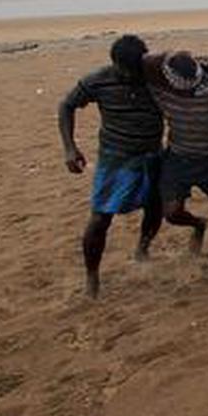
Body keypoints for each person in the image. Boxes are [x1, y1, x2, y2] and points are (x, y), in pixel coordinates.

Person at [58, 35, 165, 297]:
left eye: (135, 68)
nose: (130, 75)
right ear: (114, 63)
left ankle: (143, 247)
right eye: (124, 69)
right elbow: (67, 105)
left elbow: (191, 72)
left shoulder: (155, 77)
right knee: (100, 218)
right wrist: (70, 147)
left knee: (155, 207)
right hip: (115, 158)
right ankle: (92, 276)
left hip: (152, 155)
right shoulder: (99, 80)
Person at [143, 50, 208, 262]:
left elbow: (148, 63)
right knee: (172, 212)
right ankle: (198, 224)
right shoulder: (163, 91)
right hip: (180, 156)